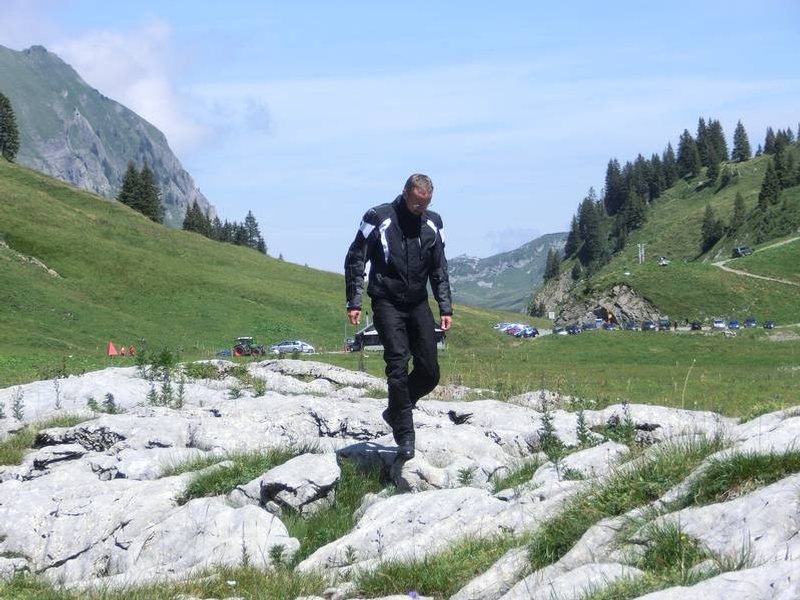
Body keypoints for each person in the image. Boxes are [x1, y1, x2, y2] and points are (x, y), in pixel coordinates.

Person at [344, 173, 453, 460]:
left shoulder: (434, 223)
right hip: (386, 301)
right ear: (405, 193)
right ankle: (405, 434)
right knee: (397, 365)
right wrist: (354, 301)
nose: (421, 209)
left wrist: (445, 307)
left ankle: (394, 410)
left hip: (418, 303)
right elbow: (356, 258)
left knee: (430, 371)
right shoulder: (377, 217)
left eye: (426, 204)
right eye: (417, 203)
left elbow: (439, 268)